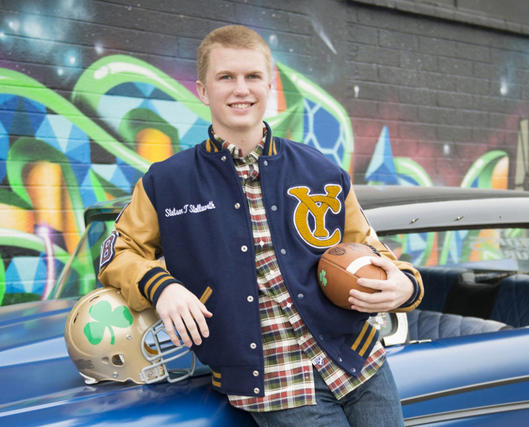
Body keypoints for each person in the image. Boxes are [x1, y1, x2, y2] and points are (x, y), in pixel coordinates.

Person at [98, 25, 423, 427]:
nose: (241, 89)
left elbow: (371, 248)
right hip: (272, 382)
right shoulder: (166, 182)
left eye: (253, 77)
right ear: (202, 90)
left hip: (360, 360)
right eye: (226, 77)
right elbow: (117, 251)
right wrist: (162, 288)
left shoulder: (320, 170)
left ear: (270, 86)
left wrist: (406, 285)